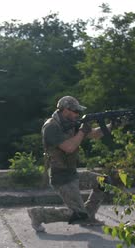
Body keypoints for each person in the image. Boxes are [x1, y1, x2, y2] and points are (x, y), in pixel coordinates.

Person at [27, 96, 112, 233]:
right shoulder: (51, 127)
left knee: (104, 181)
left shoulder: (71, 122)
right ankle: (39, 214)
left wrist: (114, 124)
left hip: (72, 172)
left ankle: (88, 216)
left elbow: (95, 134)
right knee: (78, 215)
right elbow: (69, 147)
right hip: (60, 176)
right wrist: (82, 131)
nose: (78, 114)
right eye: (75, 111)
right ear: (66, 110)